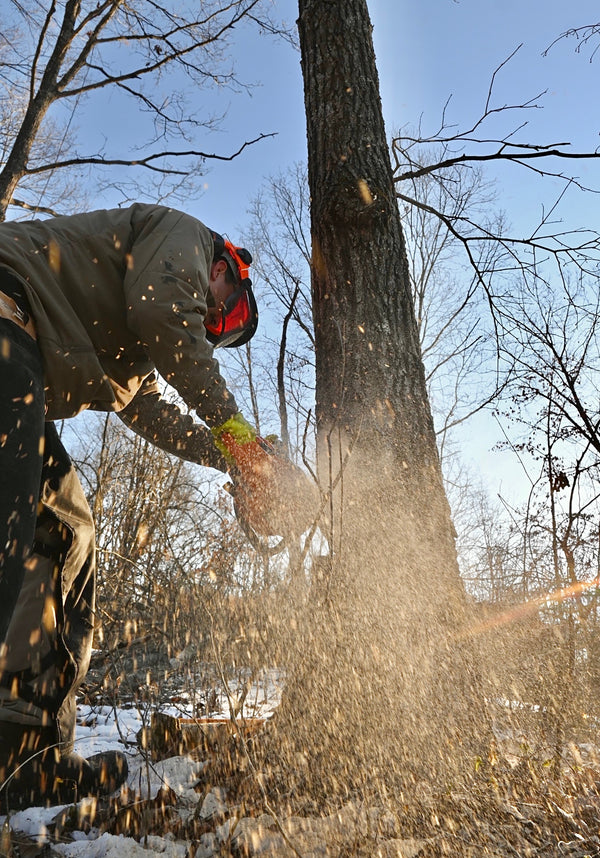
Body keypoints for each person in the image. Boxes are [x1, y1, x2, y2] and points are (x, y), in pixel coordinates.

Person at [0, 203, 314, 811]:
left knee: (66, 532)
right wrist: (244, 445)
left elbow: (147, 410)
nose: (212, 326)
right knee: (7, 523)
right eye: (224, 313)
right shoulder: (184, 238)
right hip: (7, 321)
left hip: (21, 357)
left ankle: (24, 755)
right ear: (226, 267)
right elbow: (165, 316)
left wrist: (233, 460)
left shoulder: (133, 343)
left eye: (222, 333)